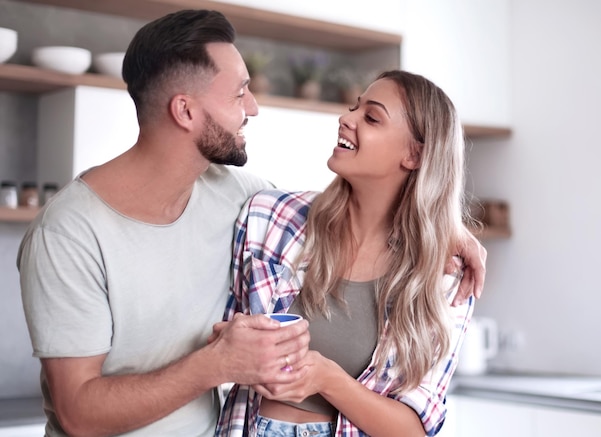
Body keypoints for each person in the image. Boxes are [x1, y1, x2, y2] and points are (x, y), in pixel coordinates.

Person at [16, 9, 311, 436]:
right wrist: (218, 364)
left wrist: (437, 236)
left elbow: (341, 221)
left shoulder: (239, 195)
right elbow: (78, 413)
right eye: (239, 94)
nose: (254, 108)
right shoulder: (67, 234)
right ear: (185, 111)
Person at [216, 70, 476, 437]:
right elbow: (217, 339)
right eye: (354, 108)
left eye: (371, 117)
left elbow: (415, 429)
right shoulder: (270, 217)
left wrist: (327, 379)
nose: (345, 118)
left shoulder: (446, 277)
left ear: (414, 155)